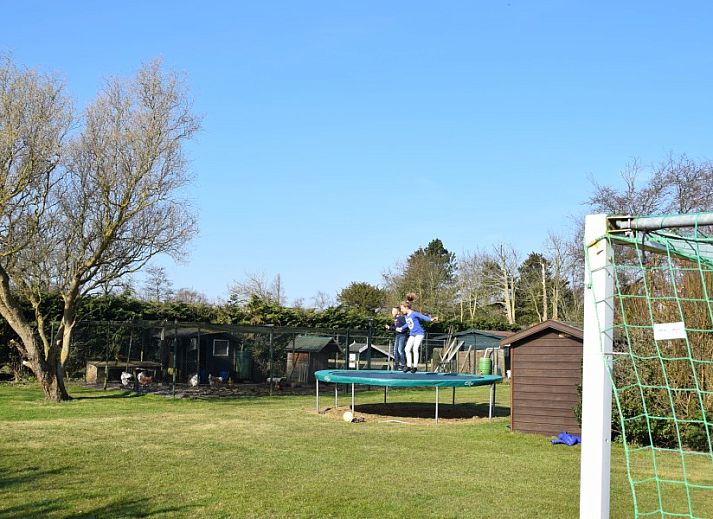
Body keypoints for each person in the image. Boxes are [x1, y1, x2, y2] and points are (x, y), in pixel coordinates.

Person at [398, 293, 437, 373]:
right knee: (407, 349)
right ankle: (409, 365)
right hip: (412, 334)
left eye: (402, 309)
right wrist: (401, 328)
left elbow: (422, 317)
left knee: (415, 348)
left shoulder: (414, 313)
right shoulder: (406, 316)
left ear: (406, 307)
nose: (401, 310)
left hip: (419, 333)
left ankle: (415, 367)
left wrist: (431, 319)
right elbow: (408, 324)